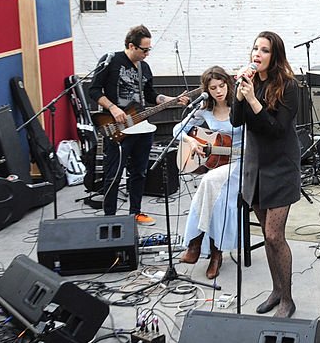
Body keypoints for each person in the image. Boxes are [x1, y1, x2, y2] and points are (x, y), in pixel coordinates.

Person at [231, 31, 301, 319]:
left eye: (264, 50)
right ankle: (276, 290)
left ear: (275, 56)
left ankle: (288, 299)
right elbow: (237, 121)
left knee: (274, 236)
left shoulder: (289, 86)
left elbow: (276, 129)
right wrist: (239, 95)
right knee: (266, 234)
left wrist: (253, 101)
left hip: (281, 166)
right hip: (256, 167)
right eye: (254, 48)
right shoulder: (249, 84)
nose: (257, 54)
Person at [89, 25, 188, 225]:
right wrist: (113, 108)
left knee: (139, 172)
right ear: (131, 46)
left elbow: (151, 95)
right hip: (116, 127)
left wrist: (172, 100)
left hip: (141, 127)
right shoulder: (111, 61)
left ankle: (135, 212)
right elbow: (94, 90)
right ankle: (109, 218)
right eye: (144, 49)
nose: (147, 54)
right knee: (114, 174)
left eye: (149, 49)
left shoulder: (145, 68)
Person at [175, 66, 243, 280]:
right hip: (219, 164)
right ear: (207, 90)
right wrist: (191, 140)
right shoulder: (204, 110)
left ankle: (198, 243)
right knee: (214, 191)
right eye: (213, 88)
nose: (218, 91)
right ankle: (215, 252)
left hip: (241, 162)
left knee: (209, 183)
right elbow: (178, 129)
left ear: (228, 85)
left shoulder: (239, 107)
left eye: (222, 86)